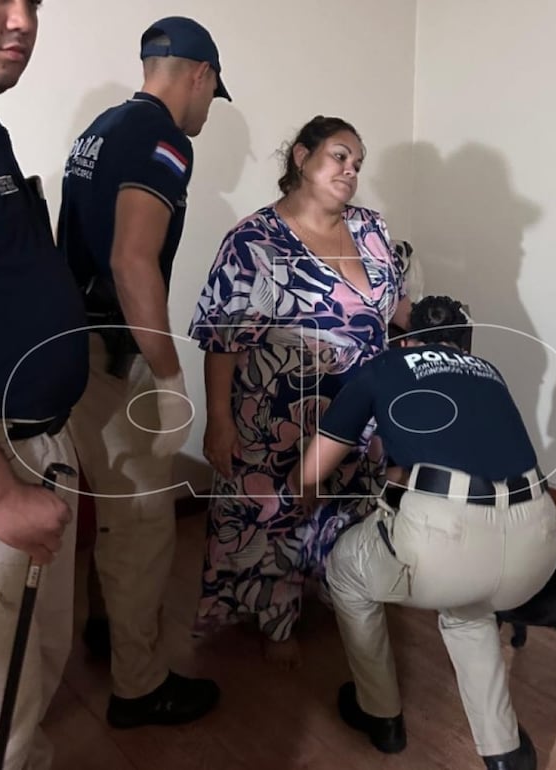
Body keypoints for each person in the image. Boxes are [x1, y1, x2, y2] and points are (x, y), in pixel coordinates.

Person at [290, 296, 556, 770]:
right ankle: (504, 752)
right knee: (467, 610)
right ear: (463, 345)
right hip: (538, 544)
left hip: (449, 544)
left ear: (407, 340)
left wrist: (304, 490)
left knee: (346, 571)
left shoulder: (385, 366)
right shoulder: (489, 373)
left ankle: (380, 715)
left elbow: (311, 471)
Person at [56, 16, 230, 728]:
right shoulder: (164, 140)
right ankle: (140, 686)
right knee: (142, 521)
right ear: (200, 75)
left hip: (72, 343)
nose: (207, 109)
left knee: (110, 505)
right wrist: (168, 375)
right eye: (211, 93)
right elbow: (132, 262)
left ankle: (105, 629)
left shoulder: (99, 129)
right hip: (113, 353)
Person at [189, 115, 412, 669]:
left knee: (348, 515)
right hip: (275, 419)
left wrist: (435, 331)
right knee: (273, 520)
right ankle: (275, 620)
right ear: (302, 157)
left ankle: (342, 595)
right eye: (339, 155)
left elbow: (397, 309)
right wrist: (219, 420)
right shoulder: (254, 240)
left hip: (358, 416)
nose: (351, 169)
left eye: (357, 162)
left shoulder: (371, 229)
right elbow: (222, 339)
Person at [0, 1, 88, 767]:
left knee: (29, 681)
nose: (21, 21)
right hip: (2, 463)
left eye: (34, 2)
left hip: (37, 442)